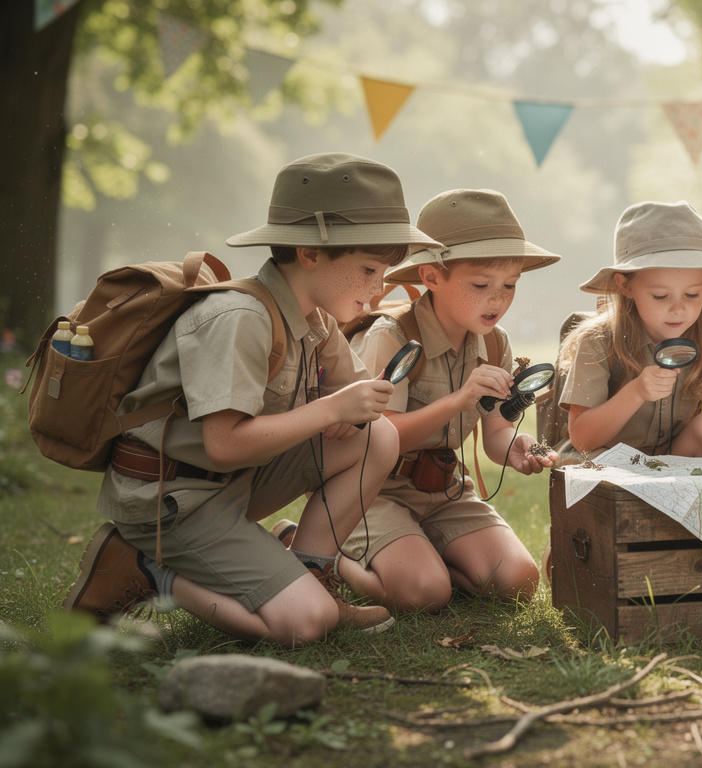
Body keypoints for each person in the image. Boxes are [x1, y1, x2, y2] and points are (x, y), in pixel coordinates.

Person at [63, 153, 442, 645]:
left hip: (234, 484)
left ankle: (311, 571)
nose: (377, 290)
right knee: (306, 626)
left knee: (379, 438)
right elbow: (222, 444)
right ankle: (142, 568)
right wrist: (332, 409)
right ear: (310, 254)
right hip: (173, 500)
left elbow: (361, 410)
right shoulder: (239, 316)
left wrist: (355, 409)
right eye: (369, 269)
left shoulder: (316, 320)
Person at [314, 189, 558, 612]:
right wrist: (459, 399)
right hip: (374, 491)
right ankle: (318, 554)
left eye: (510, 285)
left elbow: (495, 433)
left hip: (444, 489)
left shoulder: (495, 343)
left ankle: (421, 554)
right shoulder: (392, 337)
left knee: (518, 581)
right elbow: (379, 437)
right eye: (481, 284)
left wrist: (514, 450)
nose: (498, 299)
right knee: (423, 593)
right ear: (430, 277)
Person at [556, 200, 702, 462]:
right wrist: (635, 392)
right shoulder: (598, 342)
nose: (678, 309)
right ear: (625, 285)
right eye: (661, 296)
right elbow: (581, 439)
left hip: (676, 464)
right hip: (608, 465)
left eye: (693, 294)